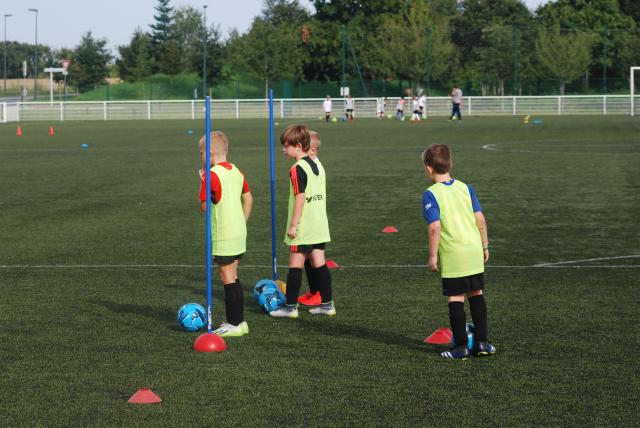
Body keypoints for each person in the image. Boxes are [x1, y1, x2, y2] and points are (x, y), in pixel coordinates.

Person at [421, 144, 495, 359]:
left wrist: (433, 255)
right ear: (450, 164)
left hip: (454, 254)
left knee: (455, 298)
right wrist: (485, 244)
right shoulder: (465, 187)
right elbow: (480, 218)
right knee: (477, 295)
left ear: (428, 168)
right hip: (473, 251)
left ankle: (460, 347)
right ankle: (482, 343)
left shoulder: (430, 194)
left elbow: (435, 226)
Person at [270, 125, 335, 318]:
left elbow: (300, 197)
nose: (283, 149)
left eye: (286, 146)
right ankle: (327, 304)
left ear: (298, 146)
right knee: (319, 262)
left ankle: (290, 308)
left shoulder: (297, 168)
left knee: (295, 264)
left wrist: (293, 225)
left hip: (304, 224)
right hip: (319, 223)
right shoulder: (316, 164)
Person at [198, 131, 253, 337]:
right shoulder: (236, 171)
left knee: (226, 276)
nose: (201, 157)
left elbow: (205, 207)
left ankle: (235, 323)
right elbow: (248, 200)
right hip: (239, 232)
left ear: (210, 153)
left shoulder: (212, 175)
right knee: (233, 275)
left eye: (201, 153)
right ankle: (239, 322)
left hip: (224, 234)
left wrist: (203, 180)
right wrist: (242, 223)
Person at [297, 130, 323, 307]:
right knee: (308, 257)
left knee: (315, 258)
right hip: (309, 219)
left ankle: (320, 293)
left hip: (313, 219)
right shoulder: (309, 165)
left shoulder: (314, 167)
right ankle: (314, 291)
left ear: (312, 150)